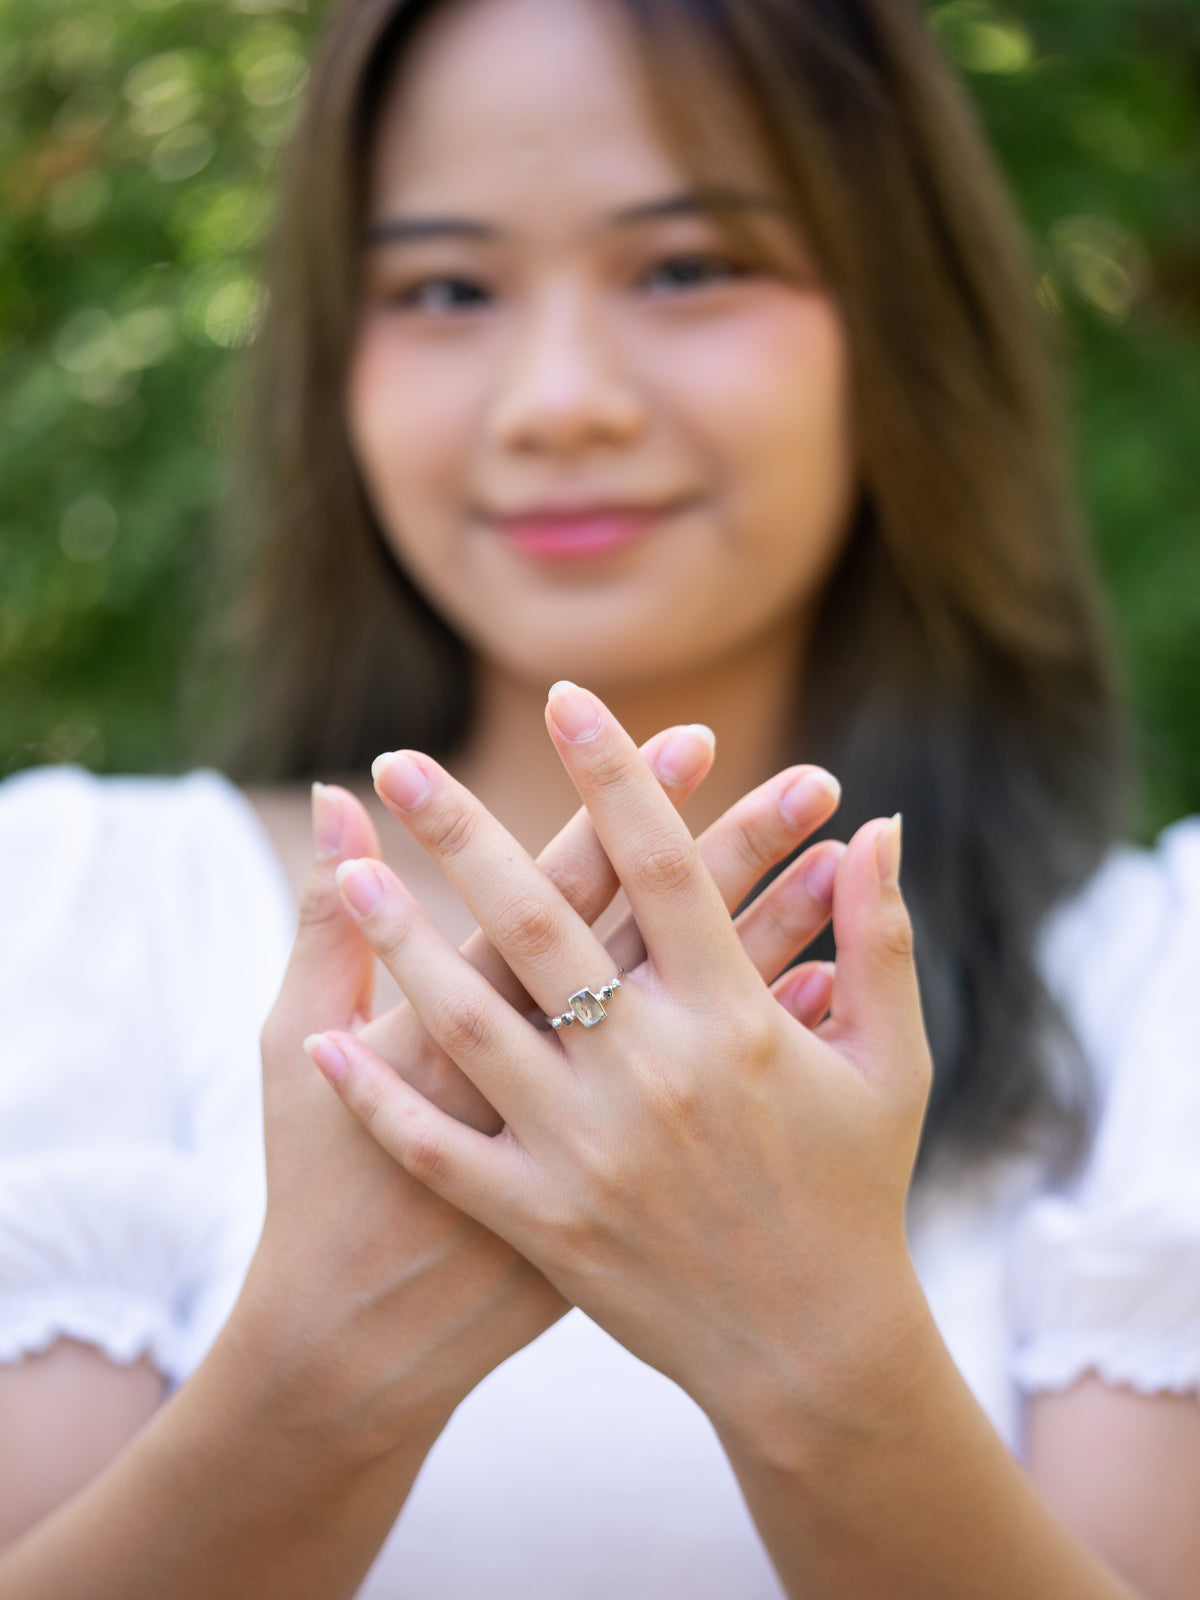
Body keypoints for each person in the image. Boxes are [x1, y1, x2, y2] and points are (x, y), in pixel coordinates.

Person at [0, 0, 1197, 1594]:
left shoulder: (1151, 979)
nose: (559, 397)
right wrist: (322, 1372)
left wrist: (815, 1351)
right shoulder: (80, 910)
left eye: (688, 266)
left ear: (899, 321)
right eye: (443, 287)